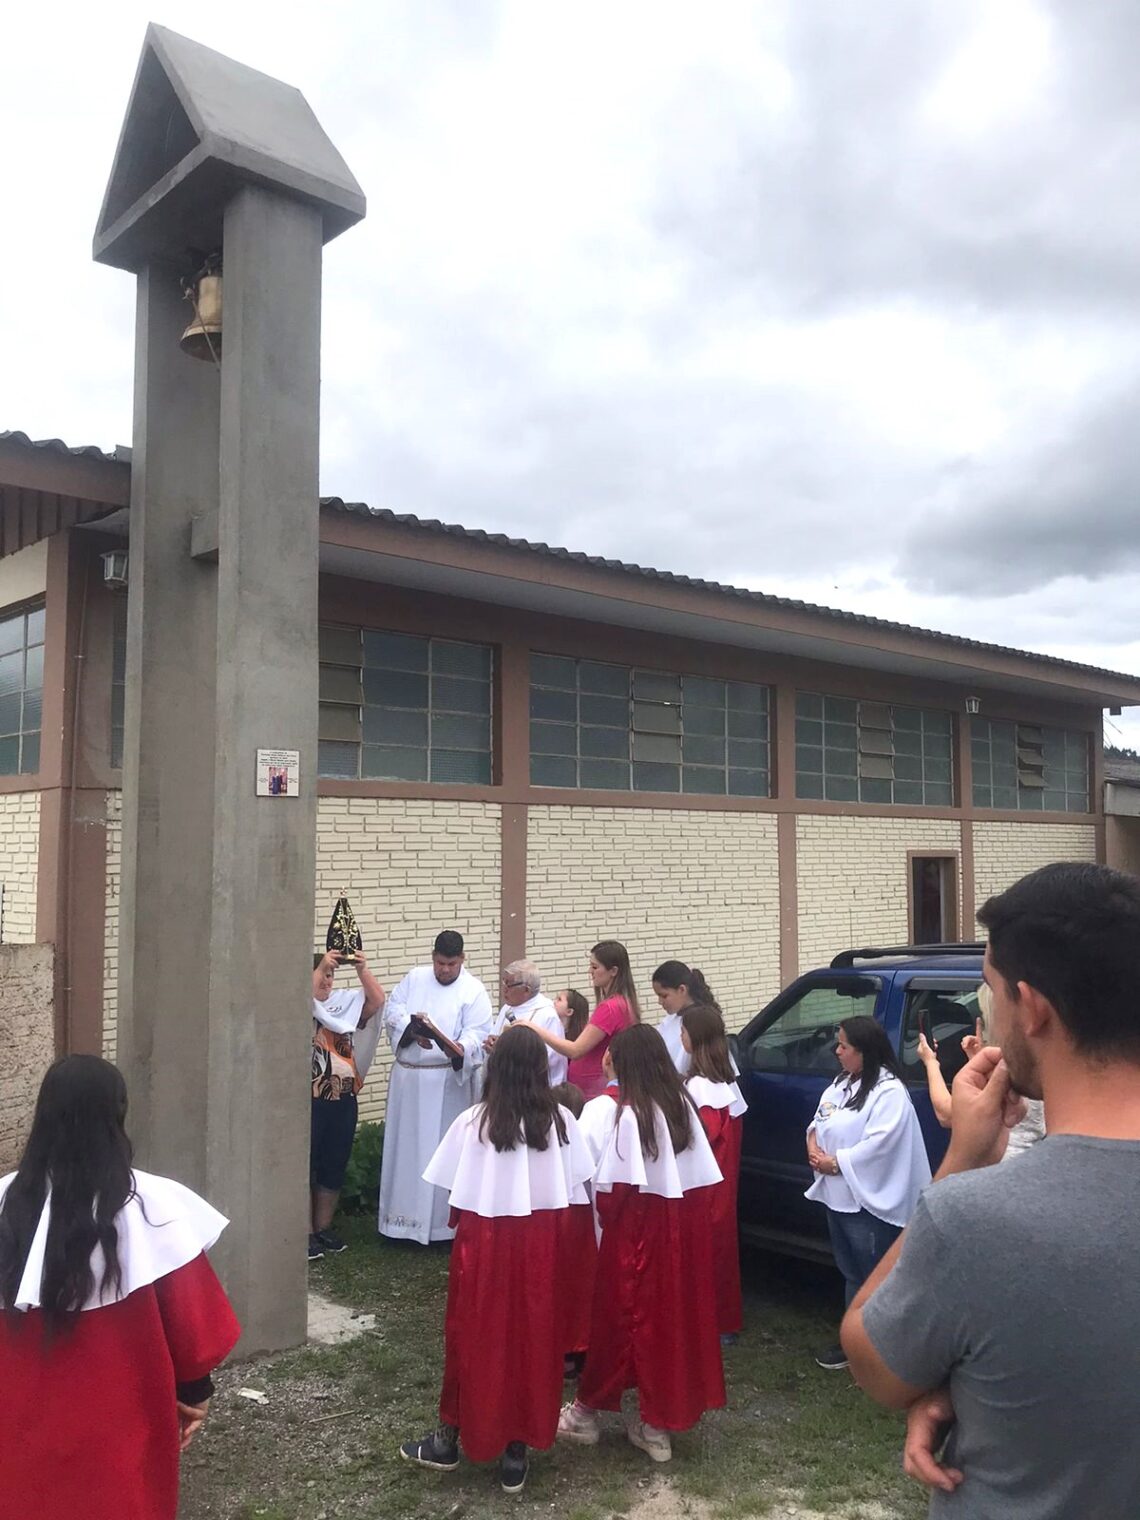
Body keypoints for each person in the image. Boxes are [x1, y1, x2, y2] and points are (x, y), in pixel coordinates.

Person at [842, 863, 1140, 1519]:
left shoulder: (975, 1219)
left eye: (988, 991)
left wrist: (964, 1160)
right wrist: (981, 1389)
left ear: (1031, 1008)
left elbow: (872, 1357)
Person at [0, 1056, 240, 1520]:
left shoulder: (5, 1201)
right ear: (117, 1115)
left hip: (16, 1422)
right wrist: (193, 1395)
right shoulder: (153, 1207)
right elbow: (197, 1331)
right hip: (121, 1424)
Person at [399, 1026, 594, 1494]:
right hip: (541, 1248)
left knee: (473, 1339)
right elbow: (575, 1189)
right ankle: (515, 1452)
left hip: (484, 1246)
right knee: (532, 1341)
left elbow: (453, 1188)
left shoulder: (474, 1122)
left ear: (497, 1068)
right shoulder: (563, 1122)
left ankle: (450, 1438)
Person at [557, 1024, 725, 1463]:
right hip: (680, 1233)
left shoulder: (632, 1115)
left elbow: (614, 1192)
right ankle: (656, 1423)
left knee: (620, 1322)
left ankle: (586, 1413)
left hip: (636, 1237)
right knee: (670, 1323)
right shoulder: (682, 1104)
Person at [805, 1015, 930, 1372]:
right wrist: (812, 1142)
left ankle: (887, 1352)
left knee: (876, 1273)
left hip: (868, 1200)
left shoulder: (888, 1092)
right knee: (852, 1271)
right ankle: (855, 1344)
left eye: (844, 1045)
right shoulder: (843, 1082)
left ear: (865, 1052)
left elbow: (881, 1143)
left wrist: (837, 1162)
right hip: (838, 1196)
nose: (837, 1050)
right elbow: (822, 1116)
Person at [378, 931, 493, 1243]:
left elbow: (478, 1033)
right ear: (433, 957)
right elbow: (394, 1011)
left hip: (447, 1085)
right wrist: (410, 1030)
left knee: (443, 1154)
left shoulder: (474, 990)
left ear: (462, 960)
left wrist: (458, 1046)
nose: (444, 970)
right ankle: (400, 1224)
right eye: (440, 963)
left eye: (451, 964)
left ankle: (442, 1228)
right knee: (407, 1151)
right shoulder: (414, 978)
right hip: (410, 1080)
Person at [311, 949, 386, 1259]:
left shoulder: (344, 1006)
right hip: (310, 1099)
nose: (327, 981)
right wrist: (321, 965)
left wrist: (362, 969)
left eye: (331, 975)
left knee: (334, 1163)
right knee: (308, 1165)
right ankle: (304, 1233)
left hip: (342, 1098)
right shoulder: (300, 1005)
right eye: (322, 974)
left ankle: (323, 1227)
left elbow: (377, 1000)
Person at [916, 983, 1046, 1157]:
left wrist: (931, 1062)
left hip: (1001, 1167)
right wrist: (978, 1059)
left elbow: (946, 1115)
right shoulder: (1036, 1058)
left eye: (983, 1019)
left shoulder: (1007, 1068)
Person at [682, 1003, 748, 1342]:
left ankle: (709, 1321)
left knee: (703, 1252)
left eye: (682, 1032)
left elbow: (701, 1137)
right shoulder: (724, 1083)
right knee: (720, 1250)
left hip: (704, 1186)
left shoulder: (700, 1089)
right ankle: (723, 1321)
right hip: (723, 1182)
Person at [520, 941, 639, 1100]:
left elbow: (575, 1050)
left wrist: (534, 1028)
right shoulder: (622, 1003)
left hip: (593, 1091)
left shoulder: (610, 1008)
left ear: (613, 971)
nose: (590, 971)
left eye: (595, 967)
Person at [487, 960, 566, 1085]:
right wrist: (492, 1043)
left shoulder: (547, 1015)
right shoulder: (507, 1008)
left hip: (532, 1087)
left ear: (526, 990)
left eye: (509, 984)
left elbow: (550, 1059)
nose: (504, 989)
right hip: (505, 1084)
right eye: (504, 982)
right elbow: (496, 1035)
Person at [651, 960, 722, 1073]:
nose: (660, 1002)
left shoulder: (700, 1023)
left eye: (664, 996)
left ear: (682, 990)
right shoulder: (670, 1020)